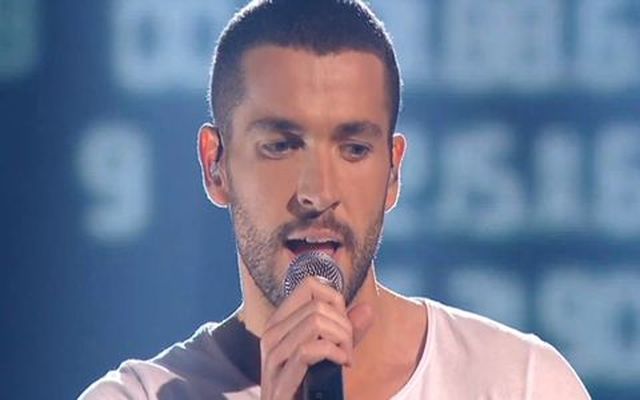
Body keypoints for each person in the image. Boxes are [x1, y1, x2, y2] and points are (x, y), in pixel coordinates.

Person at [80, 1, 591, 399]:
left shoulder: (522, 383)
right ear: (216, 165)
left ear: (393, 173)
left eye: (354, 149)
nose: (318, 194)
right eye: (281, 146)